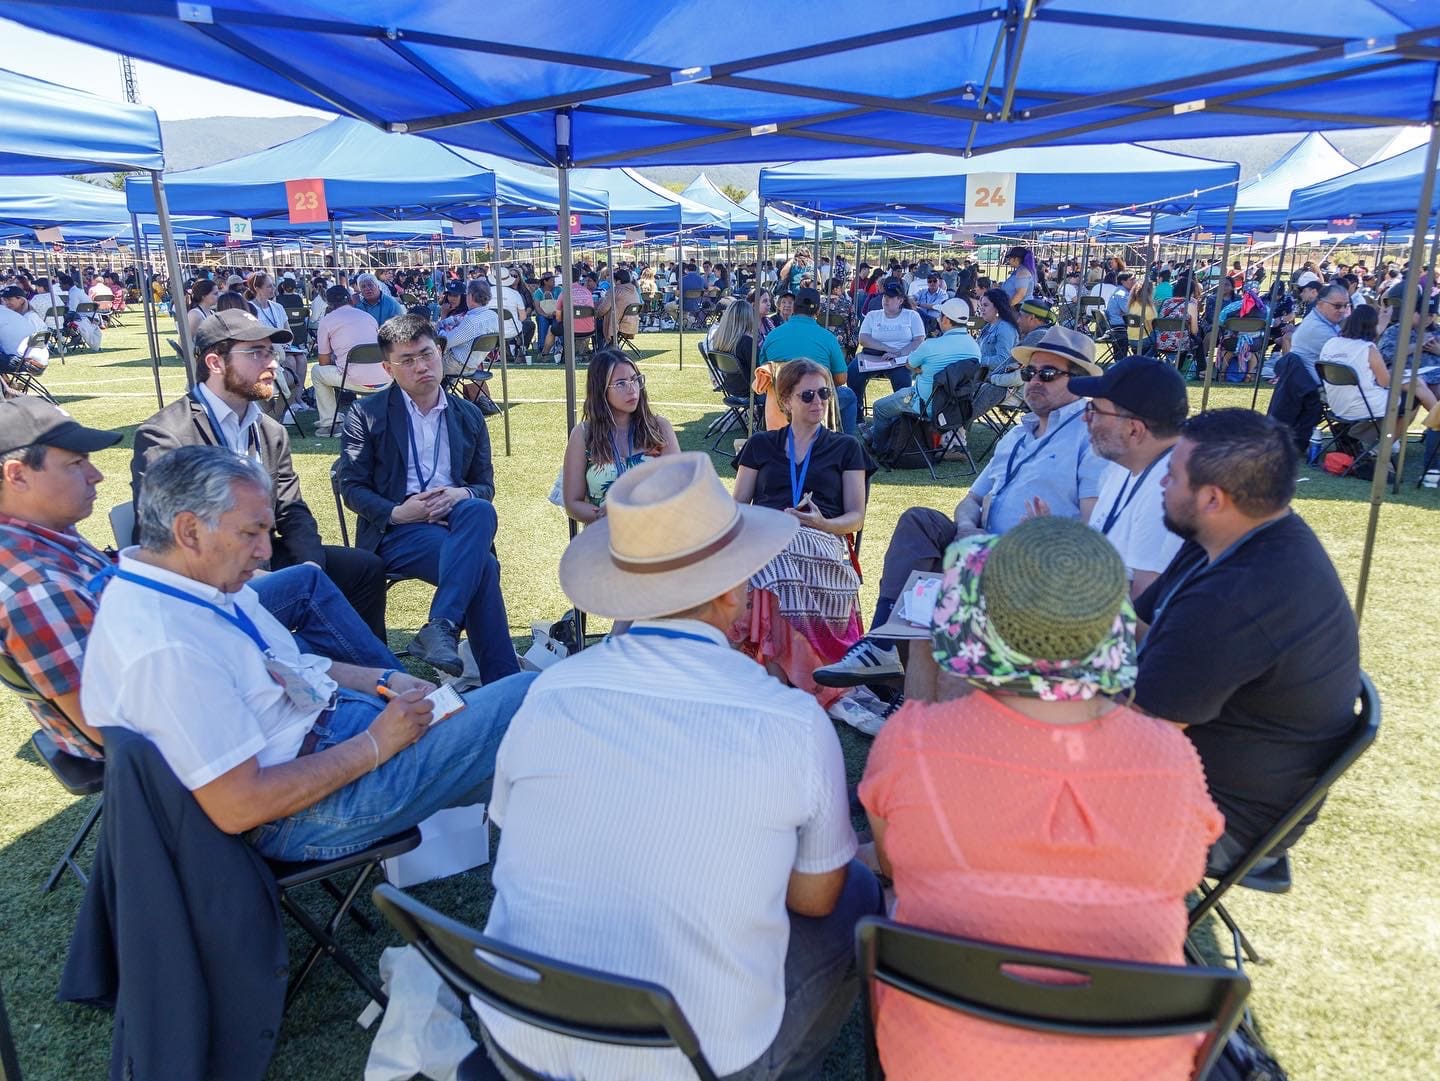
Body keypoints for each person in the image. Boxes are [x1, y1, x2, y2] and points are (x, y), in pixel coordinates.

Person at [479, 451, 881, 1080]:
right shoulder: (790, 721)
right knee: (853, 888)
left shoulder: (549, 692)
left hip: (519, 1038)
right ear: (730, 588)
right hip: (688, 1057)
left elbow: (506, 829)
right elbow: (814, 896)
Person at [861, 516, 1222, 1081]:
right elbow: (1184, 871)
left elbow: (891, 866)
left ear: (981, 614)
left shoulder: (911, 743)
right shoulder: (1171, 759)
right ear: (1111, 622)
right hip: (1135, 1061)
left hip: (939, 1054)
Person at [81, 444, 533, 861]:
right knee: (534, 694)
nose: (263, 553)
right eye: (251, 533)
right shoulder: (166, 645)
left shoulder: (194, 581)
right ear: (189, 530)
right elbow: (240, 807)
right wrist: (376, 743)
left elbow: (286, 663)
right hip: (312, 807)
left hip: (335, 735)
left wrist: (382, 679)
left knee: (515, 729)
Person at [0, 398, 399, 762]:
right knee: (265, 612)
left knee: (289, 591)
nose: (97, 474)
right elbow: (110, 730)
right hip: (181, 719)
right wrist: (225, 655)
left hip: (170, 636)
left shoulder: (41, 533)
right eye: (75, 463)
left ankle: (381, 691)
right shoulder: (35, 586)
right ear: (17, 475)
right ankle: (376, 698)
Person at [816, 326, 1105, 691]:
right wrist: (968, 527)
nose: (1033, 381)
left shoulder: (1089, 437)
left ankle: (903, 680)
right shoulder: (1018, 435)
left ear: (1078, 382)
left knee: (937, 584)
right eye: (1029, 372)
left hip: (1031, 561)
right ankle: (883, 645)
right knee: (919, 521)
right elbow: (970, 499)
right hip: (978, 545)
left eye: (1048, 374)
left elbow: (1094, 525)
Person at [1136, 409, 1360, 874]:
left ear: (1213, 498)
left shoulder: (1239, 597)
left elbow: (1139, 733)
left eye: (1172, 475)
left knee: (1002, 774)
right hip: (1201, 775)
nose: (1161, 484)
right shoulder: (1228, 537)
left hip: (1221, 819)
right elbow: (1136, 625)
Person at [133, 308, 391, 638]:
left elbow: (292, 509)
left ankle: (374, 679)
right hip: (206, 579)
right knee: (305, 588)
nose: (272, 363)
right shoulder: (168, 435)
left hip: (265, 558)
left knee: (364, 569)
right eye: (256, 352)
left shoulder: (268, 430)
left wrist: (311, 566)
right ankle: (364, 679)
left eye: (271, 351)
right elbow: (163, 537)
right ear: (215, 363)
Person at [338, 314, 519, 683]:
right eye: (407, 360)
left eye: (426, 354)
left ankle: (441, 625)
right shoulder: (366, 414)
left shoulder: (468, 415)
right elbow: (351, 486)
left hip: (459, 523)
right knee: (483, 568)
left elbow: (484, 485)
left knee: (478, 508)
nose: (421, 366)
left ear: (439, 351)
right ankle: (504, 681)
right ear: (388, 368)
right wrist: (399, 512)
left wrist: (459, 494)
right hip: (398, 531)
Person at [733, 359, 878, 724]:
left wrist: (822, 522)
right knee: (770, 558)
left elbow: (855, 518)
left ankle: (777, 680)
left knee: (774, 564)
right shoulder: (761, 445)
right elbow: (737, 508)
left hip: (821, 539)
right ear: (786, 402)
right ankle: (779, 676)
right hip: (767, 536)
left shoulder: (846, 448)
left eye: (825, 393)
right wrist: (767, 524)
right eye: (808, 395)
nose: (819, 402)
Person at [1067, 356, 1188, 600]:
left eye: (1094, 410)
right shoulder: (1122, 465)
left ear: (1134, 429)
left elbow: (1139, 612)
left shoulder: (1167, 495)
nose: (1085, 418)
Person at [561, 350, 679, 525]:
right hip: (603, 539)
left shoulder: (659, 428)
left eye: (635, 380)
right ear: (601, 390)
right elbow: (572, 503)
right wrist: (606, 515)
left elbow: (679, 486)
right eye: (620, 383)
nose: (632, 389)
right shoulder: (584, 434)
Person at [1319, 303, 1439, 466]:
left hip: (1337, 403)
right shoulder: (1368, 349)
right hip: (1362, 404)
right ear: (1372, 326)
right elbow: (1385, 382)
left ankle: (1386, 442)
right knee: (1412, 398)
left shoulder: (1331, 343)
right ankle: (1384, 447)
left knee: (1414, 384)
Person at [867, 298, 980, 450]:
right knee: (899, 398)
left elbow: (909, 364)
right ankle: (878, 434)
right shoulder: (975, 348)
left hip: (925, 404)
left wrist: (919, 368)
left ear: (946, 320)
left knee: (880, 407)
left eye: (940, 316)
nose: (938, 319)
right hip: (957, 407)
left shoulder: (931, 345)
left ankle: (878, 447)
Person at [759, 287, 859, 435]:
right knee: (849, 396)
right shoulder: (828, 338)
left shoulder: (773, 336)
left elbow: (763, 370)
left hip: (780, 401)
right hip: (814, 402)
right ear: (818, 312)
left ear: (794, 307)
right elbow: (841, 378)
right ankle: (846, 445)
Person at [312, 284, 391, 435]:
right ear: (350, 299)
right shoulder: (368, 317)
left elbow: (323, 362)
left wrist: (338, 359)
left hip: (356, 379)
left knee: (317, 371)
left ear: (328, 303)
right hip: (385, 378)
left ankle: (330, 423)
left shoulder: (327, 321)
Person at [850, 280, 926, 408]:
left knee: (902, 381)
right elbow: (863, 339)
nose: (886, 300)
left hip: (901, 359)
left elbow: (918, 340)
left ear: (900, 300)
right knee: (853, 372)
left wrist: (898, 353)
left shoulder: (912, 316)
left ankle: (900, 417)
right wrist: (888, 349)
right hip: (873, 356)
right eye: (885, 296)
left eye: (890, 297)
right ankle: (857, 413)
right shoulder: (872, 315)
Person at [1289, 282, 1351, 379]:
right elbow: (1351, 358)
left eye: (1346, 305)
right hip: (1316, 390)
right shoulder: (1318, 328)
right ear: (1321, 304)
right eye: (1337, 306)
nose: (1343, 310)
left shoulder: (1323, 320)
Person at [544, 269, 596, 355]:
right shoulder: (587, 292)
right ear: (578, 278)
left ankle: (544, 355)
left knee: (552, 329)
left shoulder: (565, 293)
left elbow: (558, 317)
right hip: (590, 329)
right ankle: (582, 351)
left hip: (571, 330)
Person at [975, 287, 1021, 375]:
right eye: (981, 305)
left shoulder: (1005, 328)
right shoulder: (988, 326)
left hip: (995, 381)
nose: (982, 309)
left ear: (997, 307)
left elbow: (1003, 361)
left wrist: (978, 359)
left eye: (986, 305)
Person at [595, 267, 642, 344]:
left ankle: (602, 350)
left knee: (597, 325)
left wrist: (596, 314)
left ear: (619, 281)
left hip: (617, 326)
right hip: (632, 324)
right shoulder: (634, 291)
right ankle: (609, 347)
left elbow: (603, 310)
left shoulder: (615, 291)